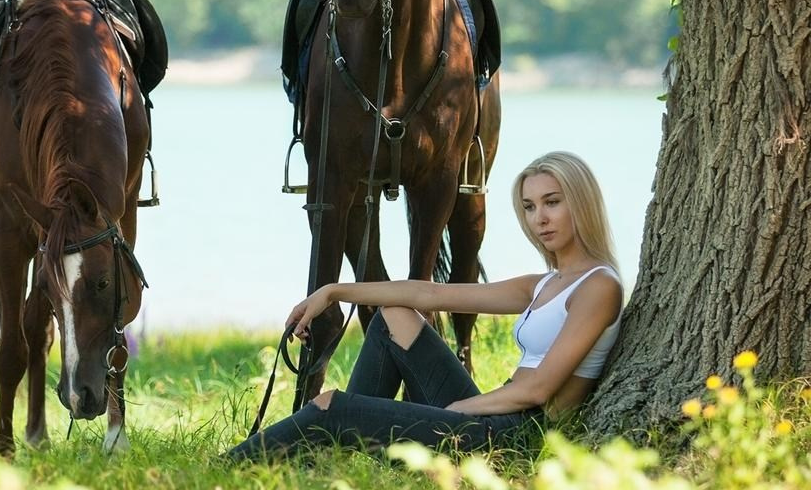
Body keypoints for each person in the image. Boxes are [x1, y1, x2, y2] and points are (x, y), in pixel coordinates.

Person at [225, 150, 624, 462]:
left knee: (330, 405)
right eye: (530, 206)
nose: (540, 218)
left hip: (514, 439)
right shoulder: (543, 285)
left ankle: (227, 468)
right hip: (494, 415)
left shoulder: (599, 286)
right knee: (395, 314)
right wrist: (333, 291)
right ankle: (343, 443)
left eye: (552, 202)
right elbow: (427, 295)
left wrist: (457, 410)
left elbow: (537, 391)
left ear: (581, 202)